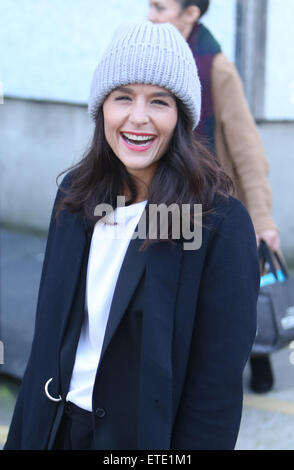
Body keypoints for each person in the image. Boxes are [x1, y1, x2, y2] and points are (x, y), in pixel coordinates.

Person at [4, 20, 259, 451]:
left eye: (159, 101)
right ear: (102, 106)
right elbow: (47, 346)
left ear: (181, 116)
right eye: (123, 97)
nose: (137, 118)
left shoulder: (215, 224)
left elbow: (214, 396)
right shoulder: (76, 198)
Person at [147, 0, 280, 394]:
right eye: (149, 5)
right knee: (177, 288)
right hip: (168, 197)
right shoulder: (155, 62)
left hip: (215, 201)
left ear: (191, 14)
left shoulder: (216, 68)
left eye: (161, 7)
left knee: (236, 289)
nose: (151, 15)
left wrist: (262, 220)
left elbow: (247, 149)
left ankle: (259, 357)